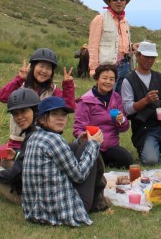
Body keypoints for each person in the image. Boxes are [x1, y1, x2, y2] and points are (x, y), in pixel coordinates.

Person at [22, 96, 103, 228]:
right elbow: (79, 175)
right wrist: (94, 144)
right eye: (54, 114)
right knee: (91, 149)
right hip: (60, 212)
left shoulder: (33, 137)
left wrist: (80, 142)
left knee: (80, 146)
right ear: (42, 119)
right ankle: (98, 201)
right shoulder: (54, 140)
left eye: (63, 115)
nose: (60, 118)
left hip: (35, 211)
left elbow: (61, 154)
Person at [0, 47, 76, 150]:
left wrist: (68, 85)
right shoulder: (21, 86)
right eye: (41, 66)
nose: (44, 71)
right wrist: (19, 79)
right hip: (19, 141)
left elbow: (68, 106)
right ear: (33, 67)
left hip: (43, 141)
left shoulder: (52, 90)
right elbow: (2, 97)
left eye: (48, 68)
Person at [74, 64, 133, 169]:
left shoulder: (116, 98)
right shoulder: (86, 100)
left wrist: (121, 120)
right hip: (92, 146)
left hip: (111, 145)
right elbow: (78, 128)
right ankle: (99, 162)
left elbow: (124, 128)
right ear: (97, 79)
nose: (108, 82)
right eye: (104, 78)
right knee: (95, 166)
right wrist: (85, 137)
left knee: (127, 159)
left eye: (111, 79)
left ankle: (105, 162)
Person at [87, 0, 133, 93]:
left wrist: (132, 46)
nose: (119, 1)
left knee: (121, 98)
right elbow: (93, 46)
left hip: (126, 65)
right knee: (107, 97)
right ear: (109, 1)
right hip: (107, 68)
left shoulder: (125, 22)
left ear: (125, 2)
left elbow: (122, 44)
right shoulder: (100, 19)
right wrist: (94, 69)